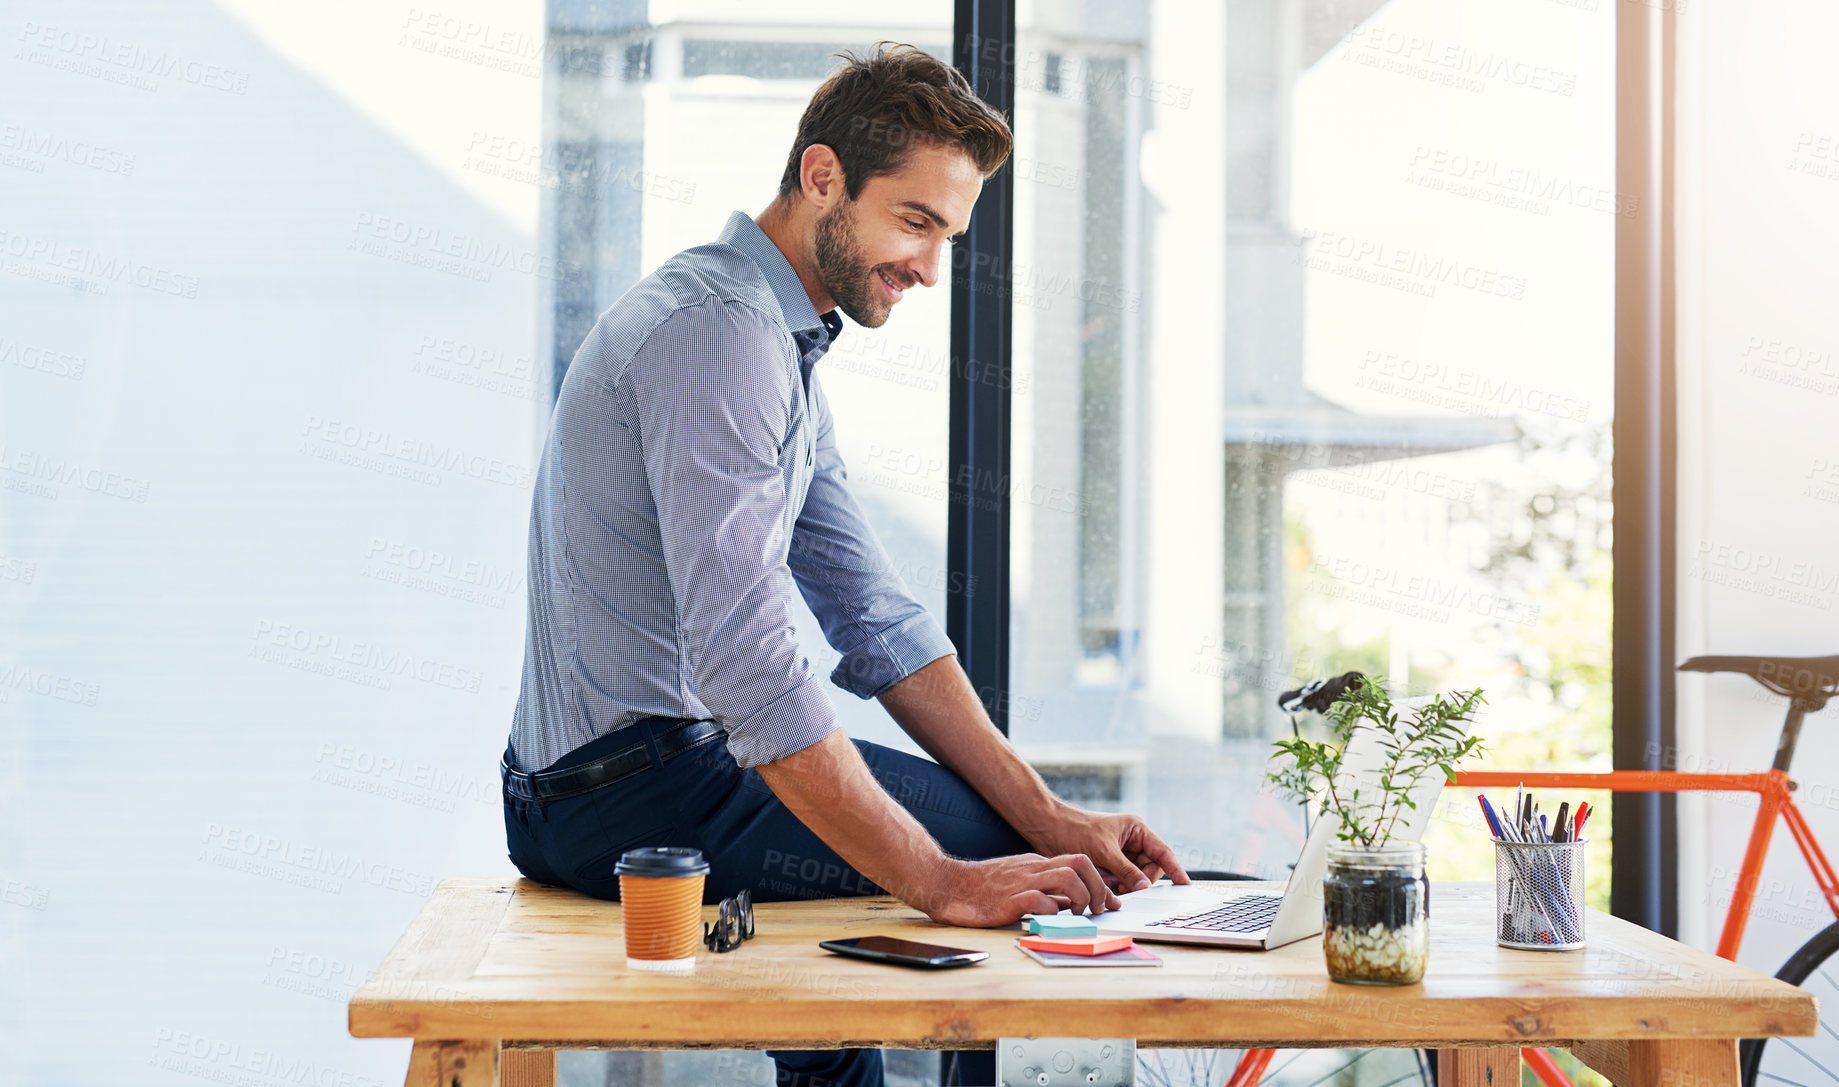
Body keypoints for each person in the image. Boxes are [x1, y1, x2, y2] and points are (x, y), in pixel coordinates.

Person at [501, 42, 1190, 1087]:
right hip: (623, 802)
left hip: (635, 782)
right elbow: (751, 671)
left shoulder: (774, 341)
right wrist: (945, 881)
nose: (927, 266)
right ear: (822, 176)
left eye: (946, 235)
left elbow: (877, 621)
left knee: (1016, 848)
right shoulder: (716, 335)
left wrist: (1051, 811)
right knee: (1005, 873)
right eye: (915, 223)